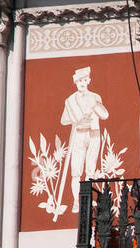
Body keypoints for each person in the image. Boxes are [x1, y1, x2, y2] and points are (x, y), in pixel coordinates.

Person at [61, 67, 109, 213]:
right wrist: (75, 118)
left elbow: (104, 115)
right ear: (75, 82)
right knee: (76, 171)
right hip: (79, 135)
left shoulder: (95, 97)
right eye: (79, 80)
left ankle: (87, 200)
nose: (81, 83)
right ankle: (77, 202)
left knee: (90, 169)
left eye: (84, 80)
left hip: (93, 134)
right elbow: (64, 120)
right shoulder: (70, 100)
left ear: (88, 80)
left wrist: (93, 106)